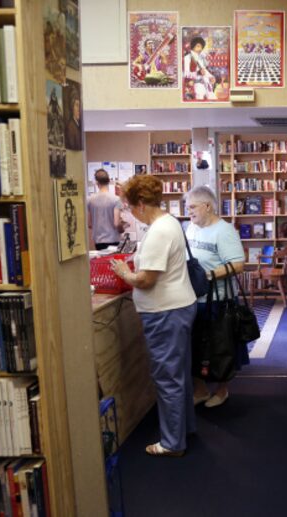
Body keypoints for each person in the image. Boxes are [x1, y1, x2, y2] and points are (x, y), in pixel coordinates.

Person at [110, 175, 197, 457]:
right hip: (177, 306)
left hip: (164, 312)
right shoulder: (170, 223)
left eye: (130, 206)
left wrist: (125, 273)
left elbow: (147, 280)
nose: (129, 212)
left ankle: (172, 443)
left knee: (167, 377)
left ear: (143, 203)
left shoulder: (158, 231)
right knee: (178, 373)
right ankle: (184, 429)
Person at [184, 186, 247, 408]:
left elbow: (238, 264)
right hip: (193, 298)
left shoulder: (224, 231)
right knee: (196, 347)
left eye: (192, 207)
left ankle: (221, 391)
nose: (188, 211)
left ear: (207, 206)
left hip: (218, 299)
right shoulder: (190, 228)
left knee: (220, 347)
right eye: (187, 206)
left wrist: (207, 276)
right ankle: (200, 390)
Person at [87, 169, 124, 250]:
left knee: (101, 262)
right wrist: (122, 229)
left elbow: (89, 224)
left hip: (98, 241)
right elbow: (117, 224)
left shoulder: (90, 200)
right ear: (108, 181)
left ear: (96, 182)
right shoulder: (116, 199)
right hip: (114, 240)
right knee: (113, 262)